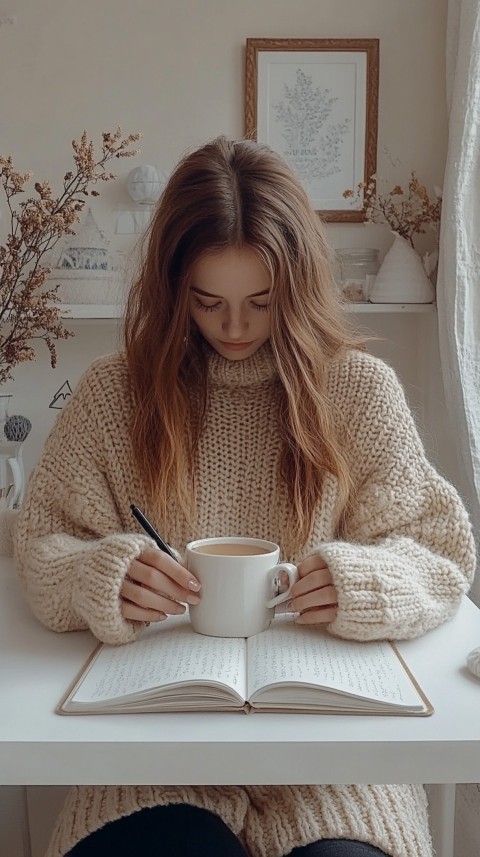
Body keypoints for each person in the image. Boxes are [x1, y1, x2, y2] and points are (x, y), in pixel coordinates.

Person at [14, 136, 476, 857]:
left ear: (297, 286)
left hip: (339, 769)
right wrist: (101, 573)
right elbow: (41, 542)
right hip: (149, 764)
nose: (235, 328)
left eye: (261, 302)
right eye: (208, 301)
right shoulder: (114, 394)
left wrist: (363, 580)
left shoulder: (356, 390)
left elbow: (440, 550)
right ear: (174, 290)